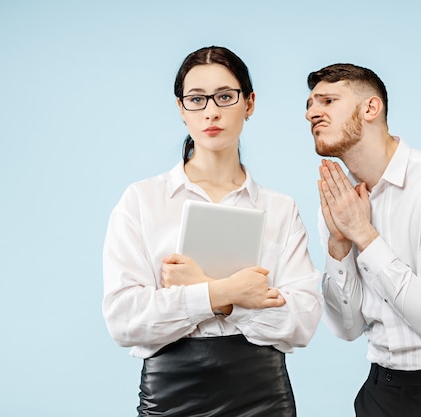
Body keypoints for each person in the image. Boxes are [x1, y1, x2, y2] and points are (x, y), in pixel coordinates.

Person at [102, 46, 322, 417]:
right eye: (197, 99)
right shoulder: (142, 200)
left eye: (225, 96)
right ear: (181, 109)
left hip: (263, 394)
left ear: (249, 103)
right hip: (171, 395)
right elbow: (124, 319)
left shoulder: (279, 209)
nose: (211, 111)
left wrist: (201, 290)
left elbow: (300, 322)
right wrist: (228, 292)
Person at [305, 63, 421, 417]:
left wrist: (363, 234)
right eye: (309, 104)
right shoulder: (341, 204)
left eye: (328, 100)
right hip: (379, 391)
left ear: (370, 108)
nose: (312, 113)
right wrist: (338, 245)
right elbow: (347, 329)